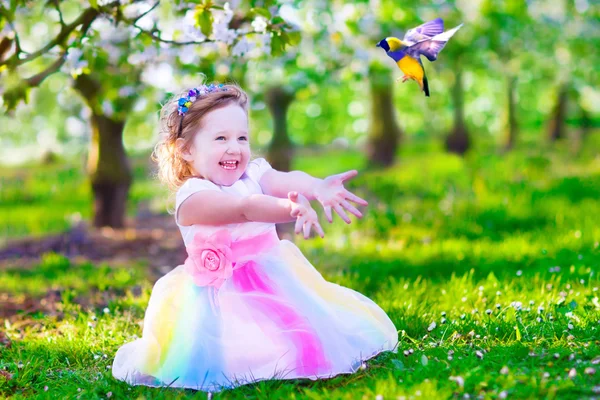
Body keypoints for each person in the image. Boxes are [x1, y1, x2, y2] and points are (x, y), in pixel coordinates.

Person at [112, 82, 398, 392]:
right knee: (237, 351)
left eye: (242, 137)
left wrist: (316, 188)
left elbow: (285, 178)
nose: (234, 147)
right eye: (221, 138)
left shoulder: (252, 173)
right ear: (186, 149)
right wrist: (289, 208)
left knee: (304, 332)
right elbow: (246, 208)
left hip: (273, 274)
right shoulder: (193, 198)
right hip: (221, 294)